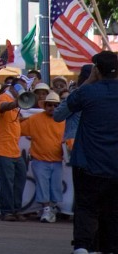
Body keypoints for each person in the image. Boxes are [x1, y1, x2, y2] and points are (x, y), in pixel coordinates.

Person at [54, 51, 118, 254]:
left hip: (88, 163)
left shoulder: (87, 93)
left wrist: (87, 83)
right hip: (115, 166)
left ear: (96, 70)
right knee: (113, 212)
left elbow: (58, 114)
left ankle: (82, 246)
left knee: (86, 208)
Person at [21, 91, 67, 223]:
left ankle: (50, 208)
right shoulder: (35, 119)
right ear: (45, 105)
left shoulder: (64, 121)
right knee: (43, 185)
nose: (52, 108)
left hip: (57, 160)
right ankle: (46, 209)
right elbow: (18, 129)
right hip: (39, 160)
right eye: (49, 105)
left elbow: (69, 138)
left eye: (55, 105)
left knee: (55, 186)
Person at [0, 81, 29, 221]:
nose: (22, 91)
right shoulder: (3, 98)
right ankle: (7, 211)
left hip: (13, 149)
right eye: (20, 88)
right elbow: (4, 107)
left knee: (20, 178)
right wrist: (16, 103)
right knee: (7, 181)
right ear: (12, 88)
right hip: (1, 148)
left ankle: (15, 209)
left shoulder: (13, 103)